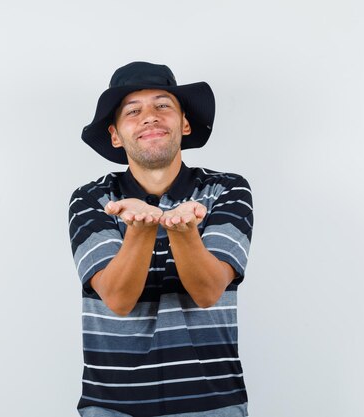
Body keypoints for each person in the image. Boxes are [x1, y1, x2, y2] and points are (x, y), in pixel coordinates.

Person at [68, 62, 254, 417]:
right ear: (115, 135)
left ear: (184, 123)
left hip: (213, 405)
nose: (149, 117)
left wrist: (182, 232)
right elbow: (119, 299)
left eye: (162, 105)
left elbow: (208, 291)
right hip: (113, 407)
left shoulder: (226, 190)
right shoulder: (93, 198)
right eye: (133, 111)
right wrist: (141, 226)